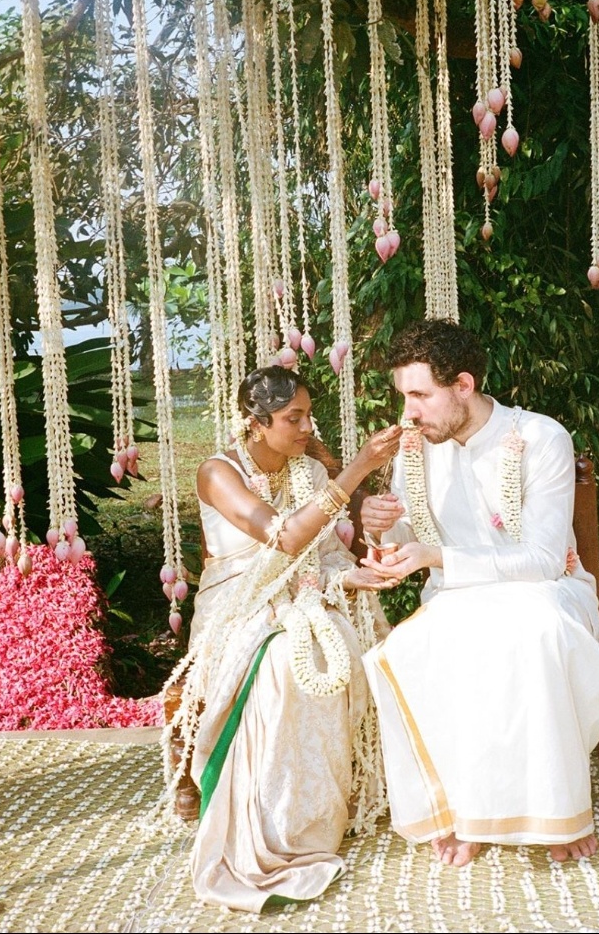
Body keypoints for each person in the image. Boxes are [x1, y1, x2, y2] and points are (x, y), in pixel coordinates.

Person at [360, 319, 599, 867]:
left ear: (463, 385)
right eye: (404, 396)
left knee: (534, 635)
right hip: (455, 597)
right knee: (405, 650)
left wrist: (437, 558)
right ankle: (463, 810)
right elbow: (405, 542)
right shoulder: (416, 448)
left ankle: (559, 808)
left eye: (419, 395)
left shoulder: (541, 437)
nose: (408, 412)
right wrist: (381, 525)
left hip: (547, 592)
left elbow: (545, 562)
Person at [167, 366, 401, 912]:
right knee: (280, 663)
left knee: (336, 643)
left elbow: (324, 557)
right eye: (293, 417)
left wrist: (353, 577)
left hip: (304, 593)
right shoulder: (216, 473)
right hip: (237, 603)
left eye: (307, 415)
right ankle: (269, 826)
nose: (305, 426)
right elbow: (286, 535)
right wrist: (360, 466)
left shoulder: (307, 472)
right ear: (256, 423)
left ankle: (319, 816)